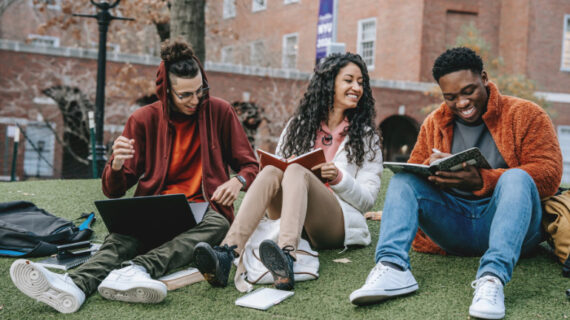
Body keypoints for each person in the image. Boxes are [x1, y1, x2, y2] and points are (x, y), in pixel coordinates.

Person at [9, 40, 259, 313]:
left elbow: (250, 166)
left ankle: (138, 269)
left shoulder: (220, 111)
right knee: (121, 237)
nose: (196, 100)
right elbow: (113, 191)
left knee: (220, 225)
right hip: (156, 206)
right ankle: (74, 286)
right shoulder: (142, 119)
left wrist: (238, 181)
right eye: (185, 95)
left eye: (201, 90)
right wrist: (116, 166)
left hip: (203, 208)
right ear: (166, 91)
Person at [350, 47, 563, 319]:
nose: (461, 103)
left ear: (484, 78)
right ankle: (392, 268)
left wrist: (483, 180)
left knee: (517, 177)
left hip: (514, 230)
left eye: (468, 91)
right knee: (405, 178)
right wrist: (434, 174)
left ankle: (491, 279)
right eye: (450, 97)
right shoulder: (434, 122)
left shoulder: (526, 114)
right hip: (455, 228)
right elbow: (416, 173)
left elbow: (549, 174)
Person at [193, 52, 383, 291]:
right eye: (349, 80)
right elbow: (280, 172)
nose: (356, 87)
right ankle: (226, 253)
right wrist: (287, 164)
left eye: (360, 82)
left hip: (334, 224)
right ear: (329, 84)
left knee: (296, 172)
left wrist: (338, 177)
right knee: (274, 170)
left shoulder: (366, 136)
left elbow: (366, 200)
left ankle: (286, 257)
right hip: (290, 216)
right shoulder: (298, 126)